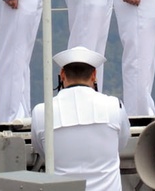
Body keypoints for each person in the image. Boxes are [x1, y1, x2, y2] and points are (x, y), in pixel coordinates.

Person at [31, 48, 129, 191]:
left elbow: (43, 151)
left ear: (62, 74)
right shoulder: (114, 106)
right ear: (94, 75)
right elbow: (121, 143)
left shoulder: (42, 112)